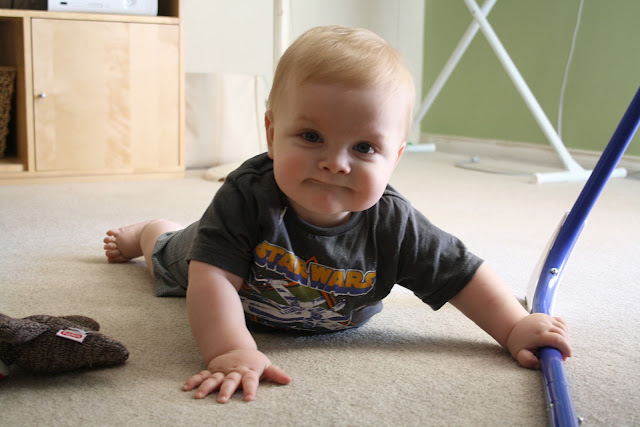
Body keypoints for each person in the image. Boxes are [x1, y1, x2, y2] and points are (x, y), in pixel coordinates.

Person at [103, 25, 571, 404]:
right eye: (311, 137)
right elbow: (213, 281)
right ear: (272, 134)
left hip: (317, 305)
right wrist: (232, 350)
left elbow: (460, 274)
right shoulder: (246, 196)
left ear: (395, 158)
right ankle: (150, 231)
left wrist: (513, 326)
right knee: (169, 257)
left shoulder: (394, 225)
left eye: (364, 147)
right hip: (218, 263)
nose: (335, 163)